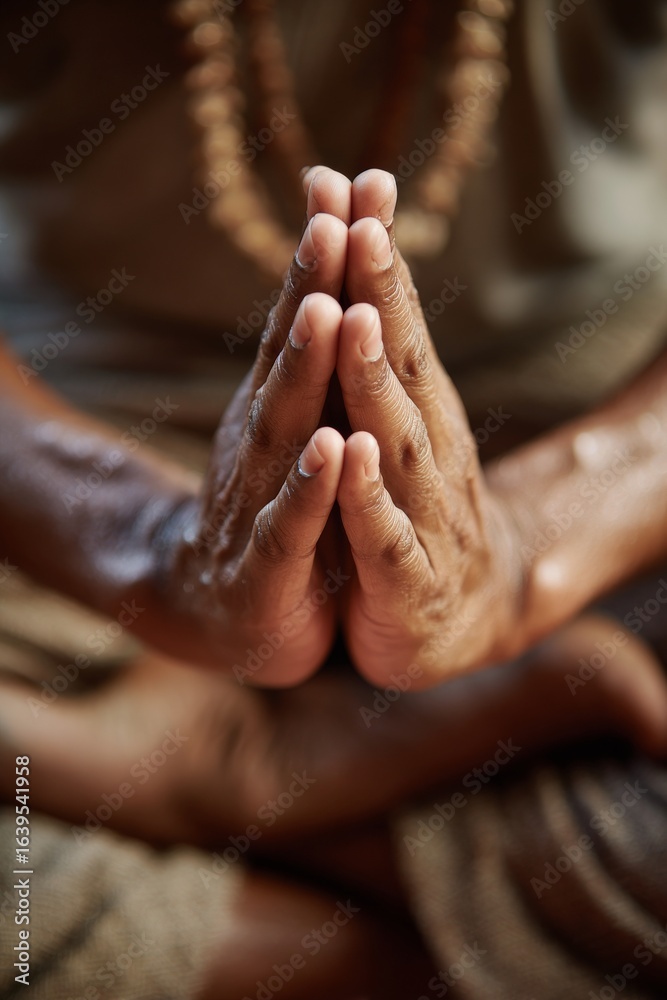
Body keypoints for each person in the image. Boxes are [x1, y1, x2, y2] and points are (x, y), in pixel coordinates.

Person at [1, 0, 667, 996]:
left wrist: (529, 547)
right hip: (72, 494)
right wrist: (142, 541)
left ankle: (202, 806)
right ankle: (395, 881)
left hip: (604, 486)